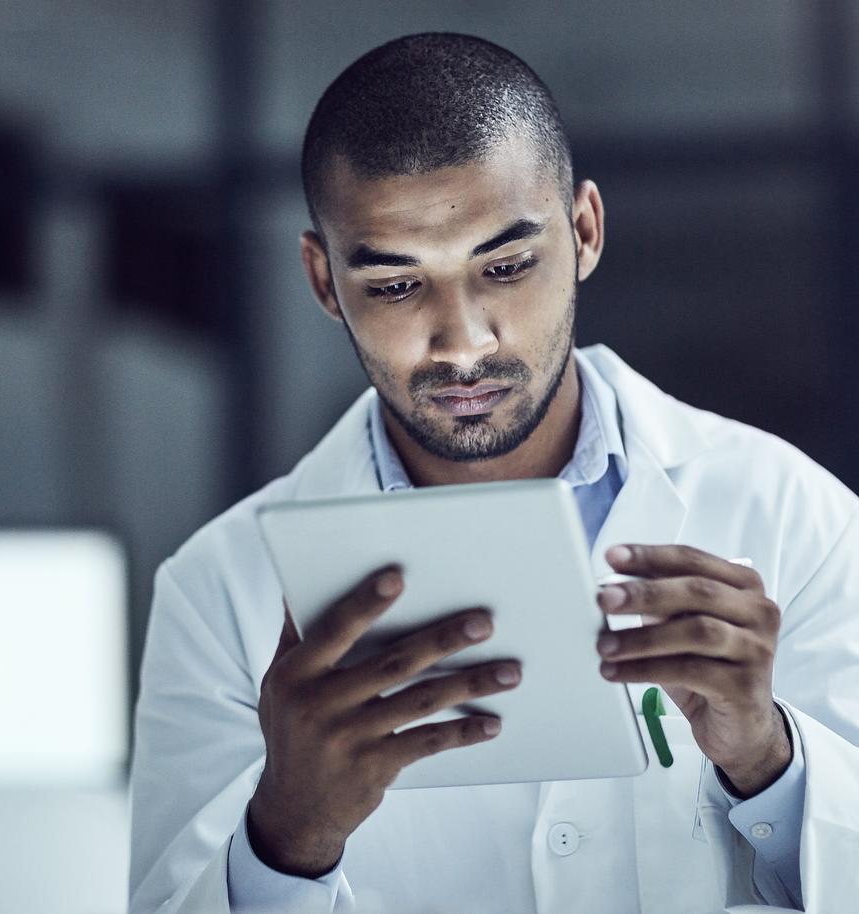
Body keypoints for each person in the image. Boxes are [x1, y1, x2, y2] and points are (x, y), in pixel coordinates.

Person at [128, 32, 859, 914]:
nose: (464, 340)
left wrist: (770, 763)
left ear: (584, 232)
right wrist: (287, 837)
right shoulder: (217, 592)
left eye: (506, 267)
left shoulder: (794, 519)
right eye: (396, 285)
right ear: (325, 281)